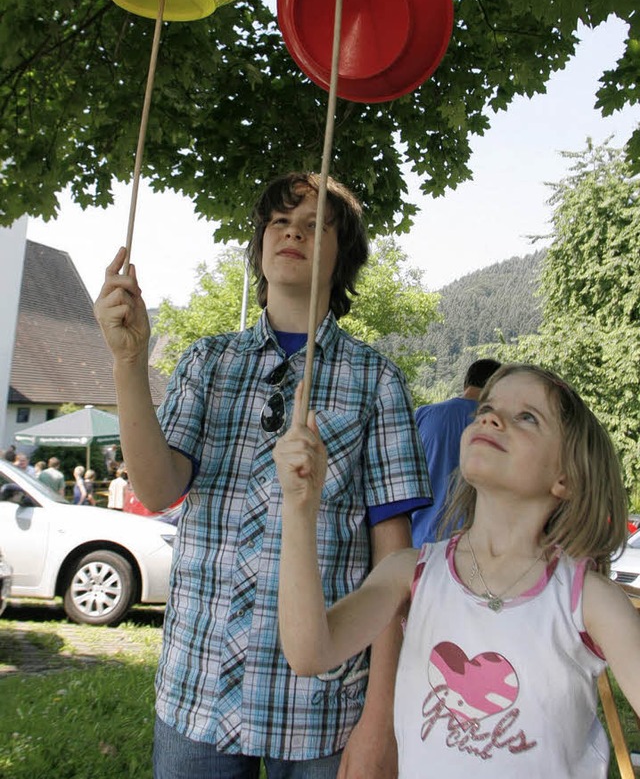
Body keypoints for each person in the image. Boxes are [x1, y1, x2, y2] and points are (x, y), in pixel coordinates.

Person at [93, 172, 431, 779]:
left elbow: (394, 566)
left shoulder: (376, 382)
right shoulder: (207, 362)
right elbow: (157, 487)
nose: (292, 232)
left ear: (343, 259)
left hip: (324, 703)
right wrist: (128, 362)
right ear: (259, 244)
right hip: (197, 691)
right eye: (280, 221)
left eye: (314, 225)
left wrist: (382, 715)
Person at [277, 363, 640, 778]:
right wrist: (299, 505)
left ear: (566, 477)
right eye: (486, 407)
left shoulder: (588, 600)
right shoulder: (409, 574)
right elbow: (309, 653)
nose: (489, 417)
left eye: (526, 417)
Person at [411, 358, 501, 547]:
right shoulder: (497, 426)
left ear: (466, 382)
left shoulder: (424, 415)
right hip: (469, 547)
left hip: (417, 540)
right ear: (497, 387)